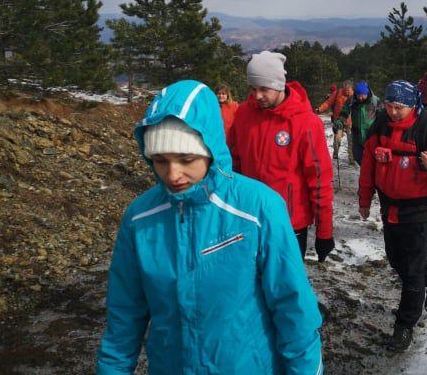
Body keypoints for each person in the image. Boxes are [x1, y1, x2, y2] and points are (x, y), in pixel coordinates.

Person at [96, 80, 323, 374]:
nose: (173, 174)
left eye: (186, 159)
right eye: (160, 160)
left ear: (209, 148)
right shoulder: (140, 218)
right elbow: (124, 314)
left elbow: (292, 305)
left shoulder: (258, 208)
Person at [358, 80, 427, 352]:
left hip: (421, 209)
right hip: (390, 206)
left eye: (400, 108)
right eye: (390, 106)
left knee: (412, 270)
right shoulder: (382, 123)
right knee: (397, 261)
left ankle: (404, 326)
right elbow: (369, 161)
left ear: (413, 105)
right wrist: (364, 199)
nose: (393, 112)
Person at [228, 51, 335, 262]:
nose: (257, 96)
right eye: (252, 88)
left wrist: (324, 231)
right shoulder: (243, 114)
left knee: (284, 289)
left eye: (263, 89)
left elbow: (320, 179)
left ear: (278, 85)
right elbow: (233, 165)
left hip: (289, 224)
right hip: (248, 218)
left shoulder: (306, 122)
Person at [338, 80, 379, 166]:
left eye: (362, 95)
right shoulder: (352, 100)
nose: (360, 98)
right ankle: (364, 171)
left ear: (367, 93)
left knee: (372, 158)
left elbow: (383, 115)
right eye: (358, 95)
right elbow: (345, 111)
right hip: (356, 133)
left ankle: (371, 175)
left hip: (371, 133)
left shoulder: (375, 101)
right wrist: (340, 121)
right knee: (357, 157)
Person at [317, 80, 354, 163]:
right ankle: (335, 155)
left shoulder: (355, 95)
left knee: (351, 141)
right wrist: (320, 109)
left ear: (352, 88)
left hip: (350, 122)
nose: (347, 91)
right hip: (338, 121)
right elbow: (328, 103)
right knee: (337, 139)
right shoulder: (337, 93)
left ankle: (351, 159)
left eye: (349, 89)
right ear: (343, 87)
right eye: (345, 89)